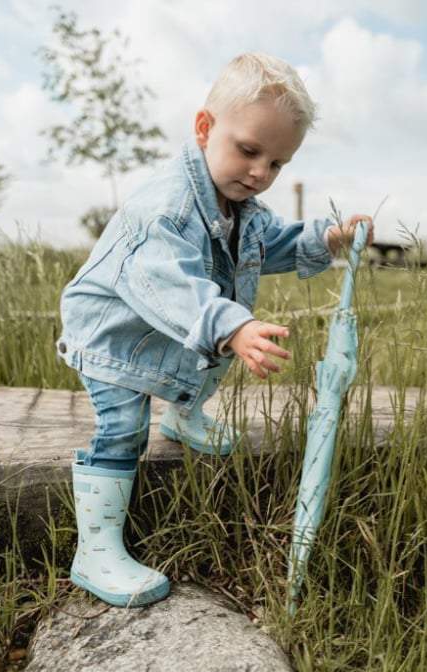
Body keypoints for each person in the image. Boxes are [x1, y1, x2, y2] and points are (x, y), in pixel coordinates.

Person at [57, 52, 374, 608]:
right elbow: (174, 288)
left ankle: (183, 415)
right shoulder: (164, 208)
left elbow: (271, 244)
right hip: (113, 333)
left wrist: (326, 240)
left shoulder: (241, 203)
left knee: (210, 360)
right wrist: (234, 325)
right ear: (205, 128)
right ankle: (96, 548)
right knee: (124, 426)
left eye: (277, 163)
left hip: (176, 332)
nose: (260, 173)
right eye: (250, 151)